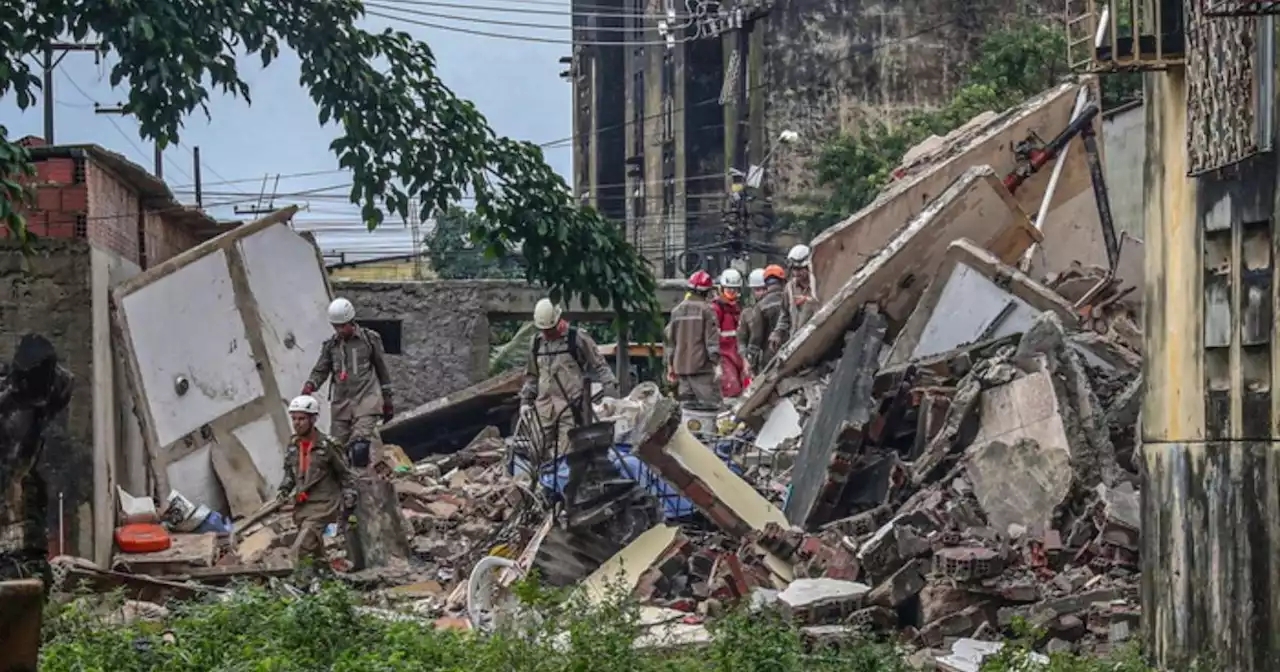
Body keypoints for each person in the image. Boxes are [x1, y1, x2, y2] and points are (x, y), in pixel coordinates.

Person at [0, 334, 73, 588]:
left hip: (27, 466)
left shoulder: (60, 385)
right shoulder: (6, 399)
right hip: (8, 467)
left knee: (30, 551)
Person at [519, 298, 618, 464]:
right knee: (535, 451)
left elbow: (601, 366)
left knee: (566, 456)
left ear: (558, 321)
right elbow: (532, 375)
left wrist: (609, 393)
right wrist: (525, 401)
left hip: (570, 407)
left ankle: (562, 486)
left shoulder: (576, 338)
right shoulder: (536, 343)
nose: (547, 333)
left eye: (550, 329)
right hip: (544, 407)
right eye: (544, 329)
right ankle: (541, 483)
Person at [303, 297, 393, 469]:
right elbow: (321, 370)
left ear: (351, 321)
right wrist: (310, 386)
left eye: (343, 326)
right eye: (336, 327)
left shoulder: (369, 339)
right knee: (335, 451)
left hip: (366, 400)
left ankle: (363, 486)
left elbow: (382, 369)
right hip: (341, 405)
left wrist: (387, 399)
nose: (340, 330)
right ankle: (343, 490)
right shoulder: (331, 346)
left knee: (359, 447)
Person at [277, 394, 355, 575]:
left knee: (301, 547)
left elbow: (345, 473)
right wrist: (283, 490)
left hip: (325, 505)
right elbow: (290, 474)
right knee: (315, 551)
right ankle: (328, 583)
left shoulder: (328, 445)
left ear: (313, 419)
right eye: (294, 419)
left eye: (302, 419)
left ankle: (299, 589)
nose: (297, 423)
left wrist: (349, 498)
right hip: (302, 506)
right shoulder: (293, 445)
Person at [665, 270, 722, 407]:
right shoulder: (707, 311)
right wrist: (716, 364)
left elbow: (670, 342)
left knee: (687, 412)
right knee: (710, 410)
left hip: (682, 370)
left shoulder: (676, 311)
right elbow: (712, 342)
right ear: (706, 291)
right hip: (701, 370)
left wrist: (670, 366)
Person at [741, 265, 787, 376]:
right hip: (792, 353)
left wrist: (750, 361)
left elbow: (756, 338)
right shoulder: (792, 299)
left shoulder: (760, 306)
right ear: (783, 281)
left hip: (769, 357)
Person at [770, 244, 816, 353]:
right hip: (796, 343)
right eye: (794, 269)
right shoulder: (789, 289)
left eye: (800, 269)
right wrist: (777, 333)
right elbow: (785, 315)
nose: (796, 273)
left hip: (815, 340)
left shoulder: (818, 286)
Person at [711, 268, 747, 399]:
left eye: (735, 290)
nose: (732, 293)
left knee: (746, 387)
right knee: (731, 388)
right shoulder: (716, 308)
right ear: (721, 289)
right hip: (724, 355)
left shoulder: (738, 309)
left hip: (738, 354)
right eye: (728, 290)